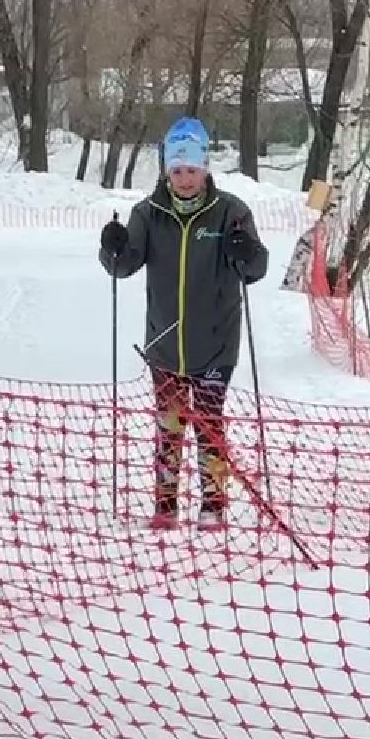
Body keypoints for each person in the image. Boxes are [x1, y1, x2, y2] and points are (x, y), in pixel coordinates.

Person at [99, 117, 269, 529]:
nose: (185, 179)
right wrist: (113, 249)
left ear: (205, 168)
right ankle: (166, 505)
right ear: (166, 172)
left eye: (192, 170)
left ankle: (213, 505)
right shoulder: (147, 213)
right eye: (177, 171)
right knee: (169, 426)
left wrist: (245, 250)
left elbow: (256, 267)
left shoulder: (231, 211)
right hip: (164, 344)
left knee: (209, 425)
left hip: (215, 343)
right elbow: (123, 267)